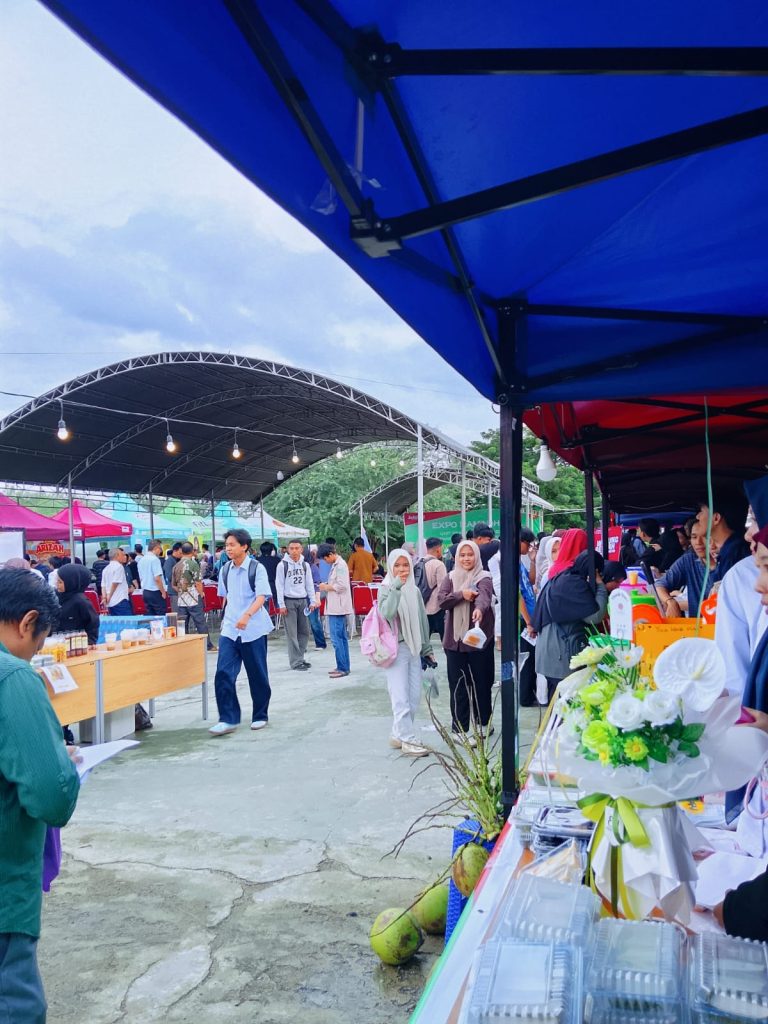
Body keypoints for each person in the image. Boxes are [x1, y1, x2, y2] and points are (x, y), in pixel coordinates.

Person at [0, 568, 81, 1020]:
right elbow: (51, 796)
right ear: (28, 622)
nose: (33, 656)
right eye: (37, 644)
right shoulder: (13, 678)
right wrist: (61, 763)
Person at [209, 529, 274, 736]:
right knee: (223, 673)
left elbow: (262, 596)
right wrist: (226, 619)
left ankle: (260, 715)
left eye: (232, 545)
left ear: (244, 546)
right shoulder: (225, 569)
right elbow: (225, 596)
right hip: (230, 630)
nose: (228, 549)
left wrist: (247, 615)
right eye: (226, 545)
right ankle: (227, 719)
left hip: (253, 629)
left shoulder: (256, 568)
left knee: (257, 674)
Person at [378, 549, 436, 757]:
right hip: (395, 649)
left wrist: (427, 649)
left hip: (414, 647)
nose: (402, 569)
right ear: (390, 567)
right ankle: (407, 739)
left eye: (405, 565)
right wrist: (396, 587)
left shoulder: (415, 591)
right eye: (397, 565)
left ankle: (398, 733)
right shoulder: (386, 588)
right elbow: (387, 613)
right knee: (400, 697)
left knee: (413, 696)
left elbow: (422, 620)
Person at [437, 540, 495, 737]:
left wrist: (479, 609)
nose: (466, 559)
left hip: (478, 641)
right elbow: (442, 600)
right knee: (459, 686)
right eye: (462, 555)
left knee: (482, 683)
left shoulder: (483, 577)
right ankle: (460, 729)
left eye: (470, 554)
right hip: (455, 642)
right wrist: (461, 594)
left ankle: (483, 723)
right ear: (456, 558)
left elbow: (484, 597)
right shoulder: (450, 577)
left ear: (477, 556)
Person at [533, 551, 608, 703]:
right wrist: (600, 586)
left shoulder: (564, 577)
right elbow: (595, 616)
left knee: (557, 701)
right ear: (595, 571)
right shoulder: (575, 584)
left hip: (549, 653)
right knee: (565, 704)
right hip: (559, 655)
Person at [717, 477, 768, 696]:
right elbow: (735, 676)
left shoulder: (741, 576)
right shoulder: (739, 576)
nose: (747, 533)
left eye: (754, 518)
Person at [489, 529, 538, 706]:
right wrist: (528, 621)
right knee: (525, 658)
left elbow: (530, 582)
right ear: (519, 541)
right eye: (528, 544)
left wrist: (533, 561)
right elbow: (516, 594)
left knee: (529, 657)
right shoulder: (504, 561)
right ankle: (524, 697)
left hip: (528, 616)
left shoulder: (517, 560)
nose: (530, 547)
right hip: (521, 619)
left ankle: (527, 694)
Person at [656, 520, 717, 618]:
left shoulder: (727, 562)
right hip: (695, 624)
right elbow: (660, 585)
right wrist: (670, 602)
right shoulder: (689, 560)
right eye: (694, 537)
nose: (698, 542)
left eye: (705, 536)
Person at [276, 540, 318, 671]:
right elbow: (279, 585)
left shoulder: (305, 565)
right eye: (291, 548)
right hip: (289, 601)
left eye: (297, 548)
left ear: (301, 549)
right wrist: (281, 604)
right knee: (292, 633)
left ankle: (300, 657)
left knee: (304, 631)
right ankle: (295, 662)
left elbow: (309, 583)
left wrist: (312, 601)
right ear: (288, 550)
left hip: (303, 601)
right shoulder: (282, 565)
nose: (294, 551)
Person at [697, 487, 751, 584]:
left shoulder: (733, 555)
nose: (698, 517)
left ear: (716, 518)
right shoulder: (732, 549)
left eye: (701, 511)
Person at [317, 542, 352, 678]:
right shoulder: (336, 565)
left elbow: (342, 585)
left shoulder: (340, 565)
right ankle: (342, 665)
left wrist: (326, 587)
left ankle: (343, 667)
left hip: (338, 607)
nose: (325, 561)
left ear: (331, 554)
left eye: (325, 558)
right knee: (341, 638)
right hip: (335, 606)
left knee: (337, 639)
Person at [173, 542, 216, 652]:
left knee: (183, 624)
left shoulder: (176, 566)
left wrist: (182, 591)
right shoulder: (193, 564)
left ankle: (184, 646)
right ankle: (208, 645)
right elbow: (198, 582)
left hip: (181, 599)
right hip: (193, 599)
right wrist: (201, 593)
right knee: (200, 622)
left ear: (182, 551)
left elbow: (173, 585)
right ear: (192, 551)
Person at [56, 563, 100, 645]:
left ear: (71, 582)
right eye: (57, 581)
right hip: (58, 643)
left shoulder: (81, 601)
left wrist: (90, 642)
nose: (57, 584)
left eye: (60, 582)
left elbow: (92, 623)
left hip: (76, 644)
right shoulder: (56, 597)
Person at [419, 537, 448, 639]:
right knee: (445, 638)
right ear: (438, 549)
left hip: (422, 605)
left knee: (424, 638)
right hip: (437, 607)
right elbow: (443, 588)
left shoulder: (419, 562)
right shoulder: (439, 565)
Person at [137, 539, 168, 615]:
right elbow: (157, 578)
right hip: (155, 591)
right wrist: (163, 592)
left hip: (145, 591)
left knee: (150, 615)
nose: (161, 551)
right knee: (160, 615)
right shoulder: (155, 560)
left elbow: (141, 577)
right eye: (160, 548)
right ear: (156, 548)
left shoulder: (141, 560)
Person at [101, 547, 132, 616]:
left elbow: (103, 586)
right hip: (120, 599)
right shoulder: (119, 567)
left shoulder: (106, 569)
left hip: (110, 603)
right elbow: (115, 583)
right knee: (126, 621)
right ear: (117, 556)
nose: (124, 556)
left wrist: (105, 597)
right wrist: (109, 597)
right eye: (122, 555)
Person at [307, 547, 327, 651]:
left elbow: (317, 584)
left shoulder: (313, 567)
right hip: (301, 597)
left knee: (314, 621)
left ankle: (320, 643)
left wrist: (316, 599)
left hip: (312, 597)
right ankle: (302, 645)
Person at [163, 541, 184, 613]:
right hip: (174, 592)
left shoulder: (178, 560)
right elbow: (169, 576)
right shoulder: (169, 561)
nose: (181, 555)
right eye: (180, 553)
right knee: (177, 613)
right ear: (175, 551)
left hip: (180, 591)